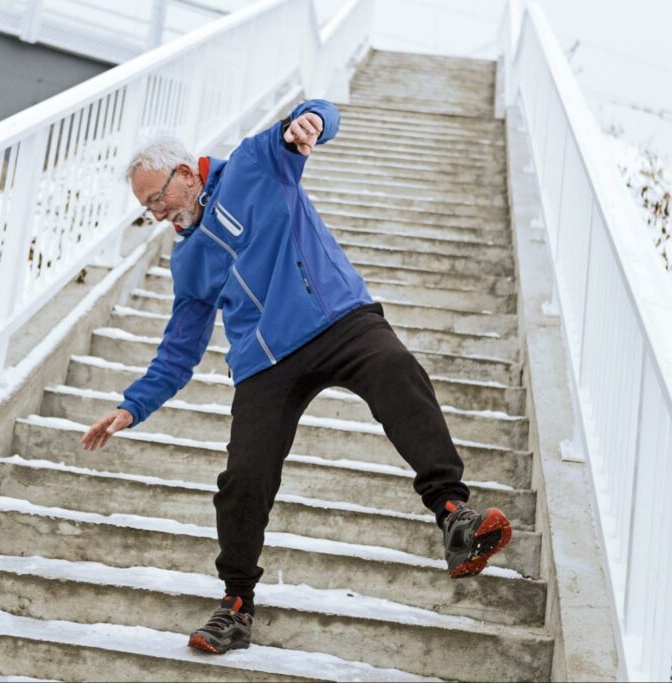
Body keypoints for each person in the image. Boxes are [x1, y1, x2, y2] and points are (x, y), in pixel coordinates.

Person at [80, 99, 512, 655]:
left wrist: (311, 122)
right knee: (243, 478)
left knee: (398, 371)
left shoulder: (255, 164)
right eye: (147, 209)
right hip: (265, 361)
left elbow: (311, 117)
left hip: (336, 317)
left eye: (157, 199)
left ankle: (455, 516)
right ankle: (236, 604)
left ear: (185, 173)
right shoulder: (188, 260)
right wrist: (132, 405)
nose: (158, 214)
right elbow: (179, 349)